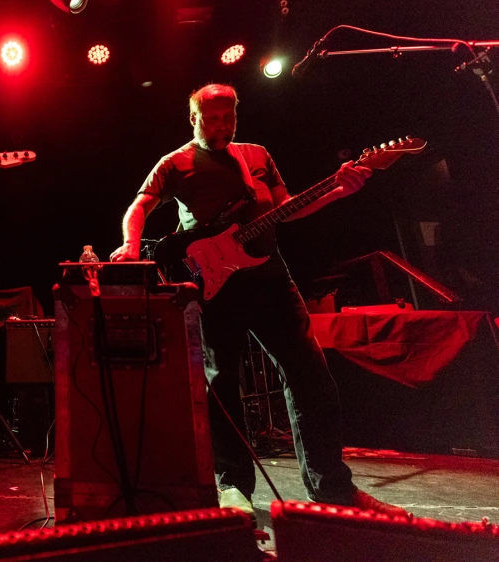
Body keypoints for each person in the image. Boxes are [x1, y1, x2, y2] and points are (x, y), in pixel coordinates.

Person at [110, 83, 407, 523]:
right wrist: (130, 244)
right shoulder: (175, 163)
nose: (223, 125)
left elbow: (287, 208)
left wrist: (337, 192)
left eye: (229, 117)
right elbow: (140, 206)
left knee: (312, 375)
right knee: (221, 384)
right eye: (213, 118)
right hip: (212, 282)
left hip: (271, 276)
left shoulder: (258, 155)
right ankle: (232, 487)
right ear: (193, 118)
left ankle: (332, 487)